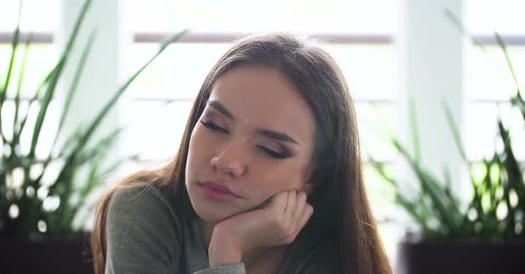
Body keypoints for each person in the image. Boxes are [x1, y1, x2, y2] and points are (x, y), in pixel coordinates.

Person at [91, 33, 391, 274]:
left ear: (315, 175)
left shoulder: (330, 258)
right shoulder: (142, 208)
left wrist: (227, 250)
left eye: (268, 148)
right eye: (214, 124)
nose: (225, 161)